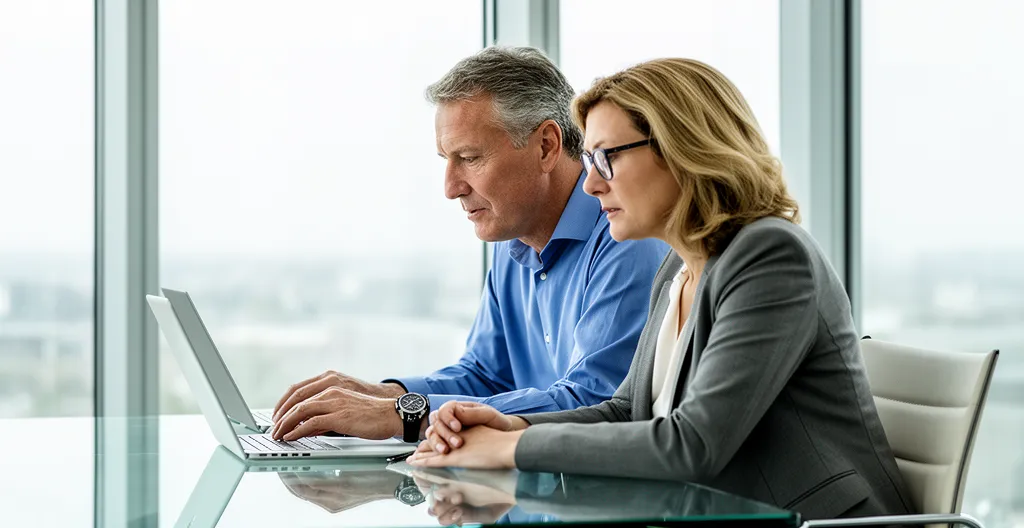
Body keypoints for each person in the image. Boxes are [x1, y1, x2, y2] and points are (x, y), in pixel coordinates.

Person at [407, 58, 915, 521]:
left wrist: (509, 450)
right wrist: (513, 426)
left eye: (606, 158)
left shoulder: (770, 256)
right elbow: (624, 410)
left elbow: (692, 445)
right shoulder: (679, 264)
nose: (591, 184)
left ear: (682, 149)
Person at [269, 47, 668, 445]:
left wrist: (402, 415)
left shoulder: (627, 238)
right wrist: (386, 395)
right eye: (446, 158)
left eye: (469, 157)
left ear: (546, 146)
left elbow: (592, 403)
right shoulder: (512, 234)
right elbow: (485, 376)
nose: (450, 188)